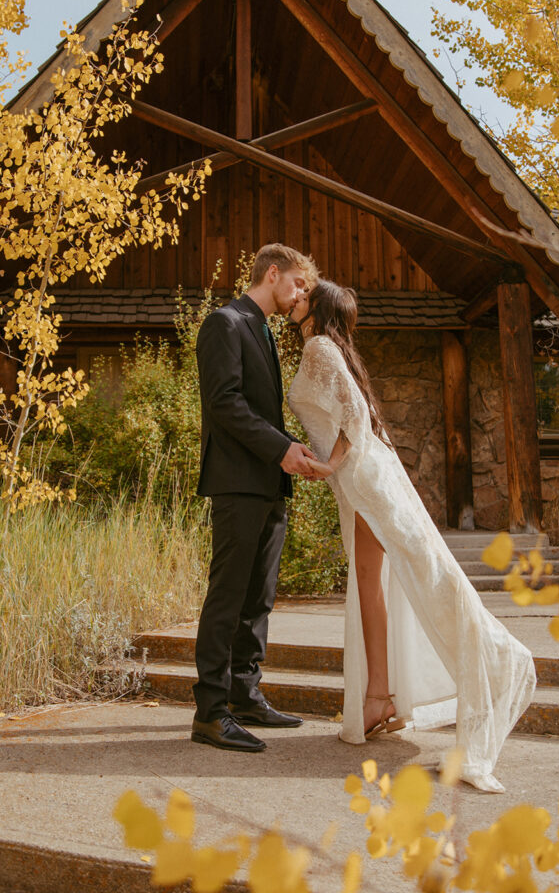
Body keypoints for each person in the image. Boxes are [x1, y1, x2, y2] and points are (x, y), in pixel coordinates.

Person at [287, 280, 536, 792]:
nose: (297, 299)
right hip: (362, 478)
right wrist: (334, 468)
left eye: (305, 294)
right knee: (374, 587)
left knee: (422, 579)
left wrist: (326, 465)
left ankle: (498, 659)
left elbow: (355, 417)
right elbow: (356, 417)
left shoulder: (318, 346)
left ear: (320, 308)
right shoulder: (333, 349)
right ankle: (378, 698)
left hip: (363, 477)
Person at [191, 244, 319, 753]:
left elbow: (263, 409)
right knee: (227, 597)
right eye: (298, 284)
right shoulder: (223, 323)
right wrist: (280, 448)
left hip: (269, 482)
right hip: (237, 482)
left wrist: (291, 453)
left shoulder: (263, 329)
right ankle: (210, 713)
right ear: (273, 273)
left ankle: (245, 696)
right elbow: (224, 402)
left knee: (257, 599)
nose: (301, 295)